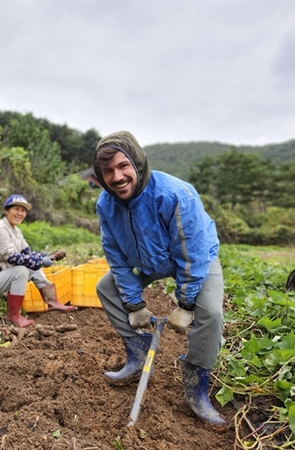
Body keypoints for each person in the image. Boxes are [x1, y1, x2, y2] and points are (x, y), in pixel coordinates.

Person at [92, 131, 227, 431]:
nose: (117, 177)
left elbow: (192, 253)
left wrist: (186, 303)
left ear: (137, 162)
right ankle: (138, 353)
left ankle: (196, 388)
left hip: (196, 258)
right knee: (106, 287)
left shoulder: (175, 194)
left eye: (123, 166)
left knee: (212, 313)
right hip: (147, 262)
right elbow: (115, 257)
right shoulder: (106, 205)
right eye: (108, 171)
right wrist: (134, 305)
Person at [0, 194, 75, 328]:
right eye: (16, 209)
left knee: (32, 267)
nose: (20, 213)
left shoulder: (16, 231)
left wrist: (49, 256)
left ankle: (52, 302)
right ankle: (13, 315)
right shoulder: (0, 229)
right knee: (21, 269)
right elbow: (13, 258)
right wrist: (40, 261)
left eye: (23, 210)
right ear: (7, 210)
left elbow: (28, 253)